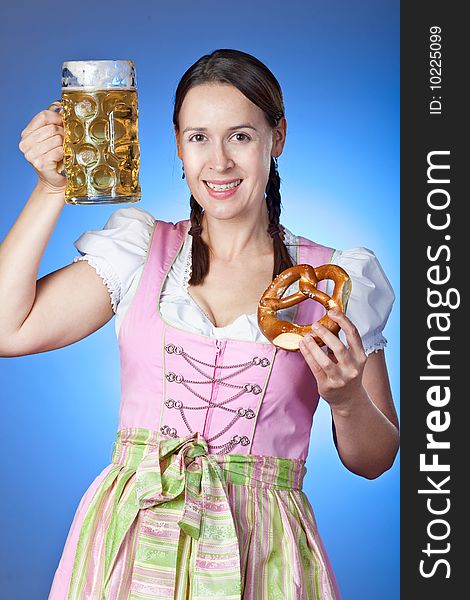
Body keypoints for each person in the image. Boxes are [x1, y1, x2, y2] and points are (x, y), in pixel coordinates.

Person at [0, 49, 399, 599]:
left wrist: (349, 399)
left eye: (240, 136)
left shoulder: (332, 284)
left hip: (265, 552)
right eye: (198, 138)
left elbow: (375, 460)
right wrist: (51, 188)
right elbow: (7, 328)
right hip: (129, 543)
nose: (219, 162)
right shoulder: (140, 253)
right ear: (178, 144)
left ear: (276, 139)